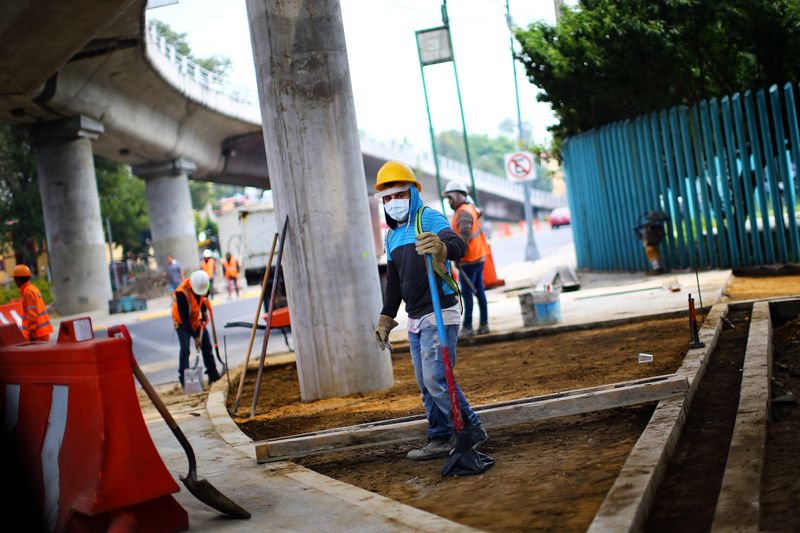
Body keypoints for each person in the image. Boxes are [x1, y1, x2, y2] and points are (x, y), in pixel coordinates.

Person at [372, 160, 488, 461]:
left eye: (399, 195)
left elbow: (457, 246)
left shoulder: (429, 218)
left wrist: (440, 247)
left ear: (413, 193)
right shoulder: (392, 235)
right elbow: (395, 283)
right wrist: (387, 317)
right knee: (426, 384)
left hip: (440, 313)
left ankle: (471, 428)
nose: (393, 203)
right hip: (415, 317)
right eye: (387, 198)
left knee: (437, 377)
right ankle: (439, 436)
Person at [443, 181, 490, 338]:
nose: (449, 202)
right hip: (478, 257)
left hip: (469, 260)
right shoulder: (469, 209)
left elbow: (464, 235)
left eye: (450, 198)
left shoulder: (463, 213)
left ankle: (468, 326)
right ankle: (484, 324)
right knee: (479, 291)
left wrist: (457, 255)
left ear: (456, 196)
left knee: (468, 294)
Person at [171, 270, 221, 387]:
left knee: (206, 345)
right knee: (185, 349)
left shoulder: (203, 285)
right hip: (181, 321)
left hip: (195, 319)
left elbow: (202, 300)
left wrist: (203, 311)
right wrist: (195, 336)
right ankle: (184, 379)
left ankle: (213, 374)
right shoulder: (181, 293)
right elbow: (184, 319)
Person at [12, 265, 53, 342]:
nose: (15, 282)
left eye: (15, 279)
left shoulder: (27, 292)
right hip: (42, 332)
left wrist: (31, 333)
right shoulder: (32, 289)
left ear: (19, 280)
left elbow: (32, 314)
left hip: (37, 334)